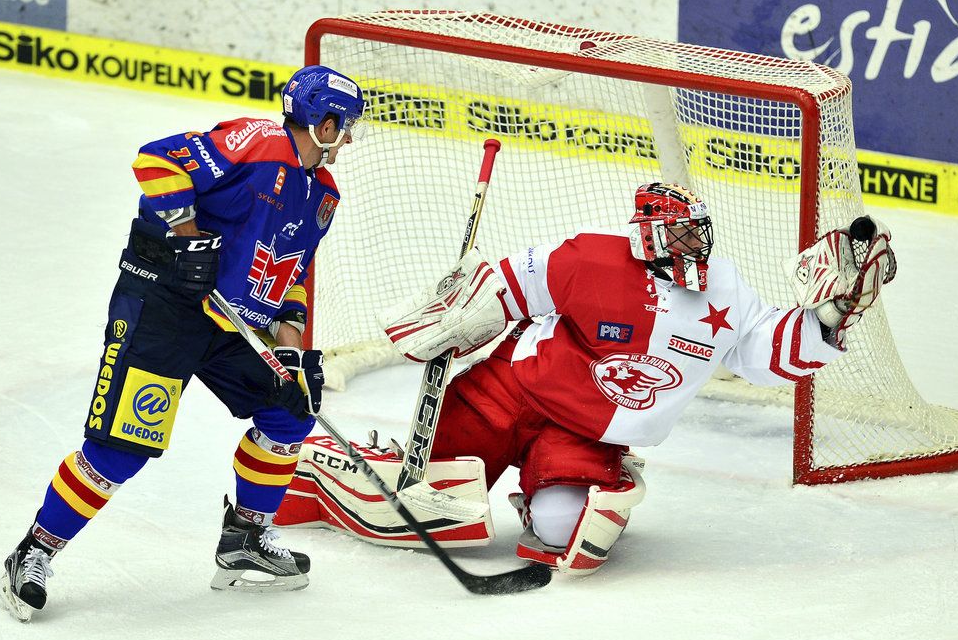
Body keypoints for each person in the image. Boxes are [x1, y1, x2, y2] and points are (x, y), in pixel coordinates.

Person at [0, 65, 366, 622]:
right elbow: (156, 159)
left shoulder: (323, 196)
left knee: (290, 414)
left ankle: (244, 541)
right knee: (121, 450)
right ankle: (32, 553)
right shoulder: (260, 144)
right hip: (164, 306)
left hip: (230, 321)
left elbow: (292, 276)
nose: (349, 137)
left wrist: (289, 355)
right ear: (319, 118)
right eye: (343, 124)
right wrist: (189, 241)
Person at [376, 182, 897, 574]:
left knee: (562, 529)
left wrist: (824, 320)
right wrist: (455, 316)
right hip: (513, 391)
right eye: (683, 231)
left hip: (585, 431)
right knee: (422, 491)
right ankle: (357, 465)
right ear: (650, 233)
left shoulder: (724, 289)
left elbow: (765, 350)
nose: (698, 242)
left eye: (700, 230)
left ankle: (559, 492)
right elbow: (508, 288)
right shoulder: (589, 257)